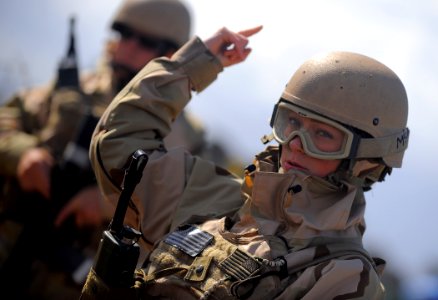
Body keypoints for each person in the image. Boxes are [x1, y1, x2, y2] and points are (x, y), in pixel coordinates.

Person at [80, 25, 410, 299]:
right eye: (291, 123)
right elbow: (118, 143)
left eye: (323, 135)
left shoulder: (344, 279)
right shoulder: (218, 201)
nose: (295, 145)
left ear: (364, 160)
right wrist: (194, 65)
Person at [0, 0, 201, 298]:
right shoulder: (74, 89)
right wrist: (22, 154)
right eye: (124, 33)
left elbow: (190, 209)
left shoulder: (184, 136)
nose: (129, 46)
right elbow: (8, 119)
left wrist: (112, 201)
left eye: (146, 42)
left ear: (172, 55)